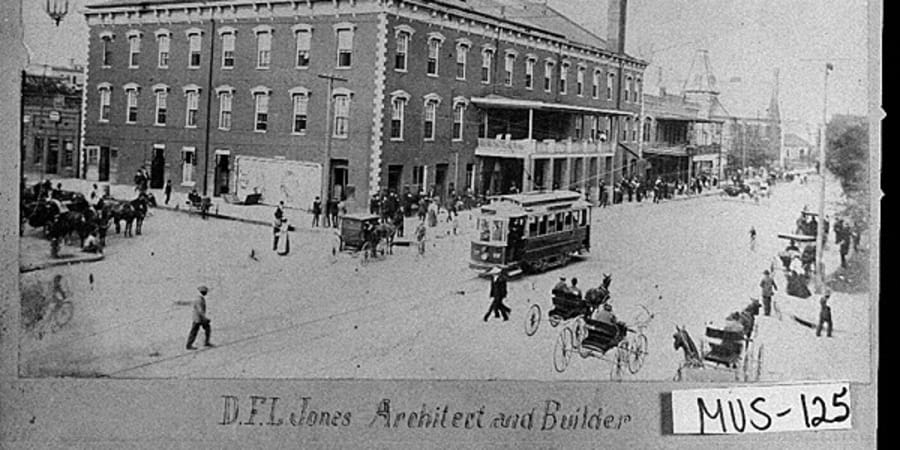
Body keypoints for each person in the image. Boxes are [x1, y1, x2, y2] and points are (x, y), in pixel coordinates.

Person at [186, 286, 213, 350]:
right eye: (205, 292)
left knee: (207, 329)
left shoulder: (200, 298)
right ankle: (189, 345)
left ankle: (206, 342)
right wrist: (205, 318)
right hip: (198, 319)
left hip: (200, 318)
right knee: (194, 332)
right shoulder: (199, 300)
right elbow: (200, 310)